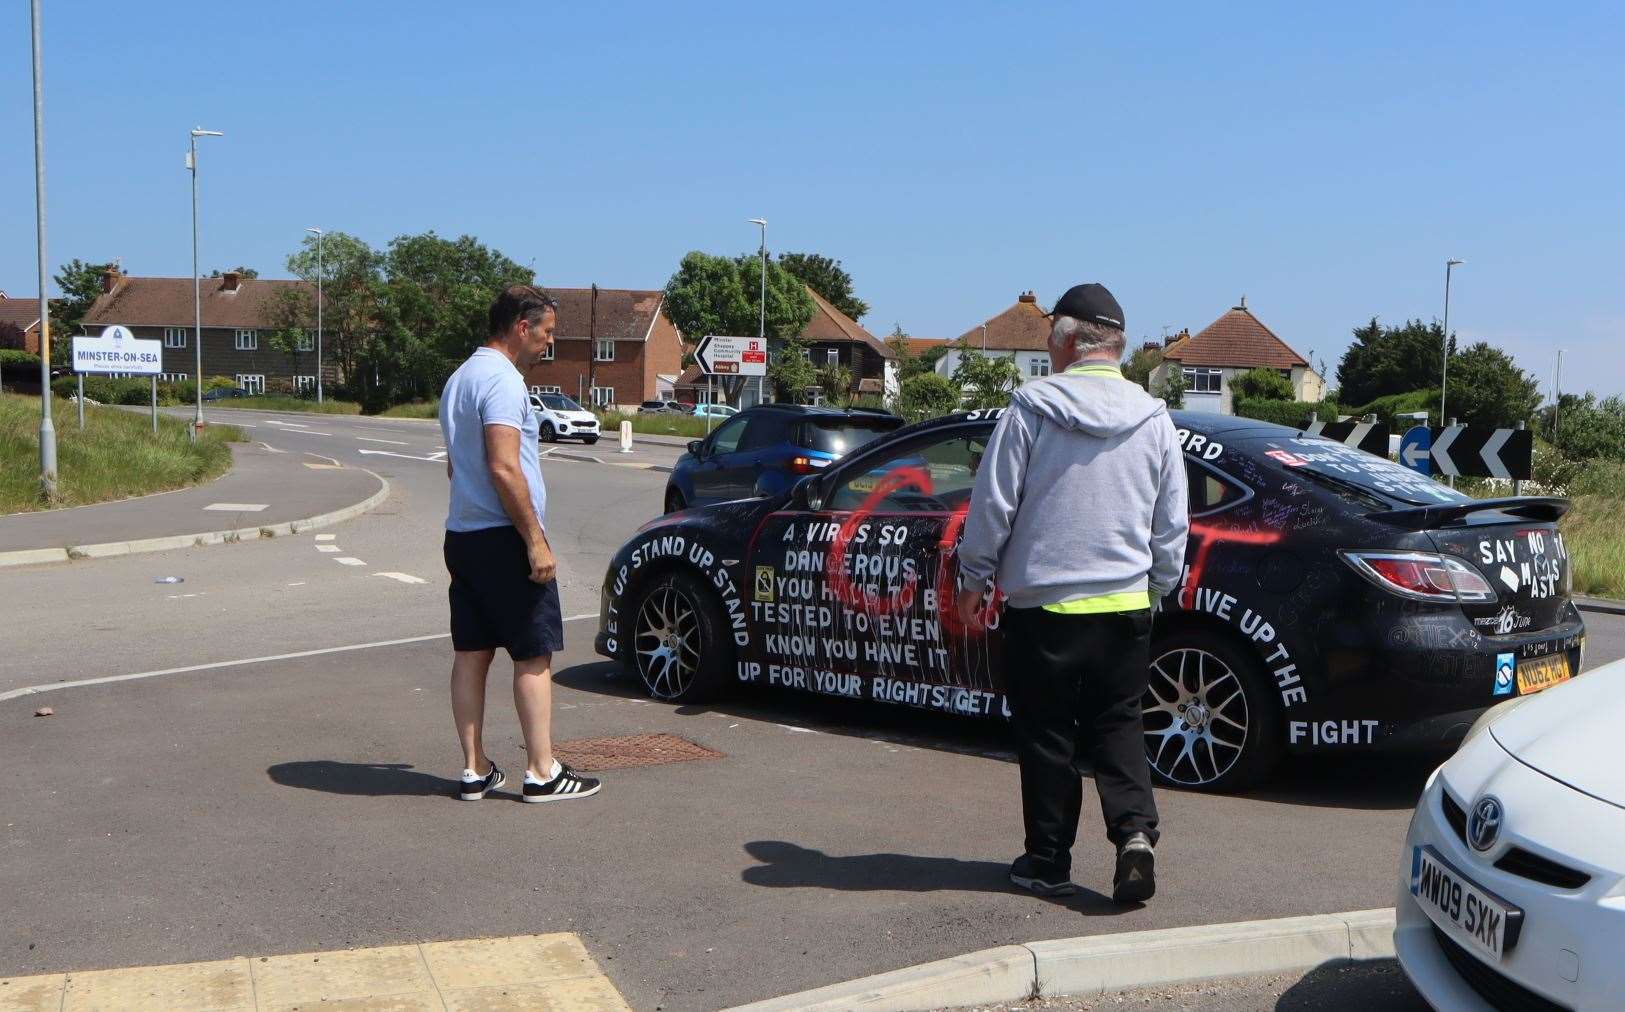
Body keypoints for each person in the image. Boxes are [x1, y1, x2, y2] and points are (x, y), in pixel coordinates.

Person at [956, 282, 1187, 903]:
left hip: (1045, 608)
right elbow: (1172, 521)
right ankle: (1135, 836)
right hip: (1124, 605)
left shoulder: (1031, 408)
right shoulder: (1155, 418)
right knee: (1119, 726)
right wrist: (1158, 585)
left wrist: (973, 579)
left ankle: (1048, 862)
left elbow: (994, 505)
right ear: (1115, 344)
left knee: (1048, 736)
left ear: (1064, 339)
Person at [439, 284, 601, 804]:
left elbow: (453, 465)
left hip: (463, 535)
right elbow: (503, 465)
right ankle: (542, 771)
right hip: (504, 537)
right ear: (521, 327)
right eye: (547, 333)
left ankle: (474, 769)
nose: (548, 345)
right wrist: (535, 540)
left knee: (471, 652)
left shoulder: (459, 378)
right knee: (533, 655)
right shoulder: (503, 382)